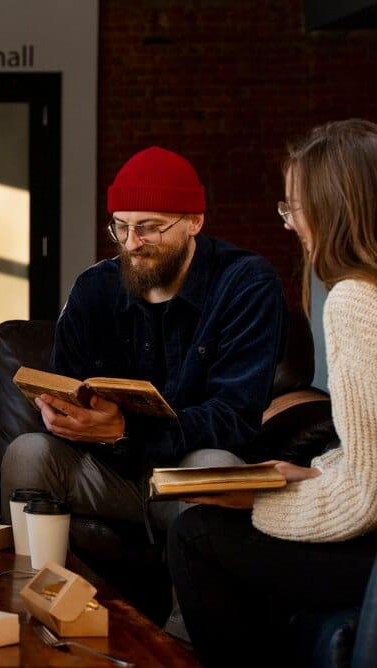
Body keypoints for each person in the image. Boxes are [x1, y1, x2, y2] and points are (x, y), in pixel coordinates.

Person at [0, 146, 287, 629]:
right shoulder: (93, 288)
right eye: (121, 227)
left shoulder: (246, 283)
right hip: (110, 475)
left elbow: (234, 416)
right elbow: (66, 386)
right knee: (28, 453)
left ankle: (182, 644)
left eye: (150, 227)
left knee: (213, 466)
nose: (132, 243)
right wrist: (61, 414)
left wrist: (126, 430)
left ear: (194, 221)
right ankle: (38, 617)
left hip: (184, 473)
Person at [167, 119, 377, 667]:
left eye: (294, 208)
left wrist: (260, 499)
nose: (290, 224)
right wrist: (310, 474)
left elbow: (366, 498)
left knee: (196, 536)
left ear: (333, 209)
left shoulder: (354, 301)